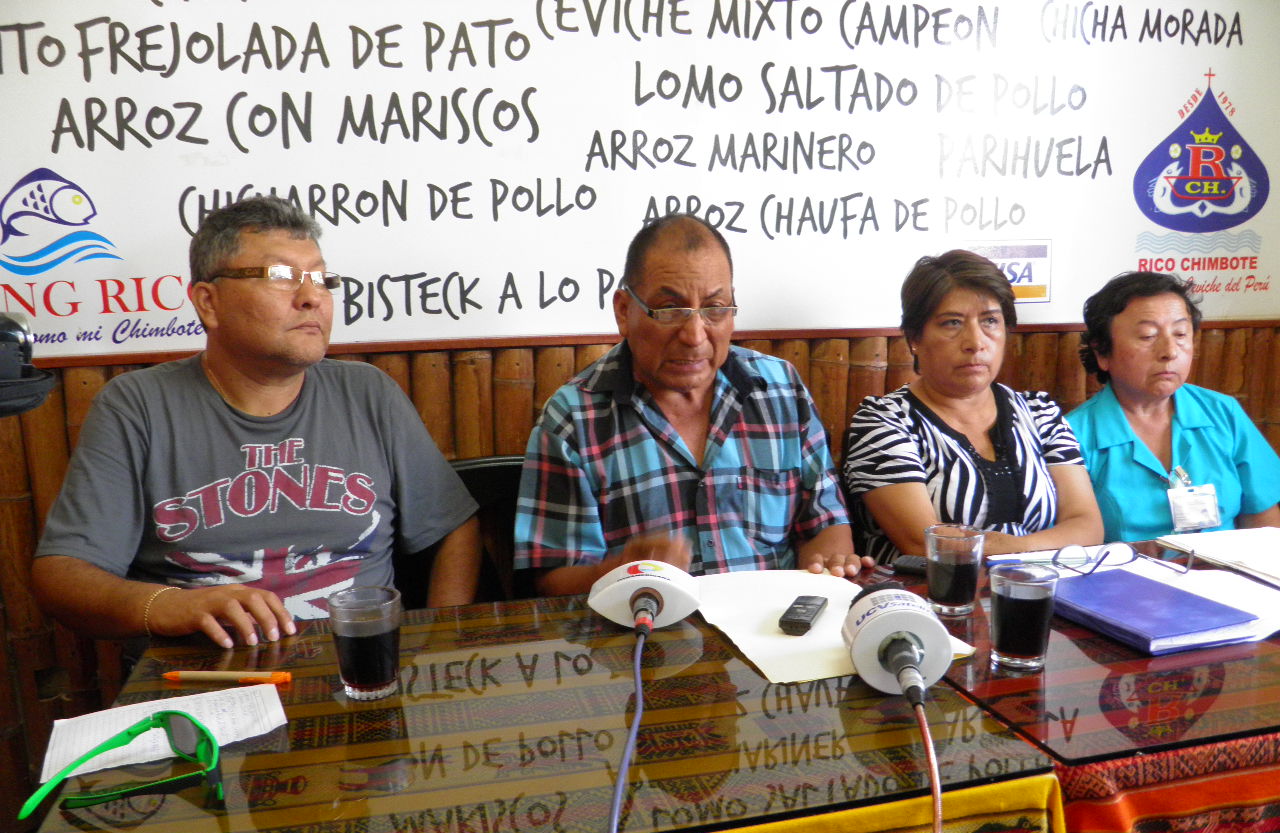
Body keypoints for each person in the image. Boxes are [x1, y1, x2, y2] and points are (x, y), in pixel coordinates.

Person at [33, 195, 480, 649]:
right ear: (208, 302)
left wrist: (437, 643)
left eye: (321, 279)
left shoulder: (369, 393)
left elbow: (452, 528)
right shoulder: (137, 406)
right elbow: (62, 577)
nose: (312, 297)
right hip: (206, 672)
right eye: (281, 277)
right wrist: (168, 605)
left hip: (358, 663)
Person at [514, 213, 865, 596]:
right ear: (624, 311)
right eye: (670, 309)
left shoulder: (780, 389)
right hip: (645, 626)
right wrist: (621, 571)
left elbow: (825, 523)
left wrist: (826, 566)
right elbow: (551, 582)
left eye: (715, 308)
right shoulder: (574, 418)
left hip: (770, 621)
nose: (695, 336)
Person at [841, 249, 1103, 563]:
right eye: (952, 323)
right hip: (929, 590)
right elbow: (924, 542)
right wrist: (1036, 547)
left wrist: (1013, 549)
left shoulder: (1039, 413)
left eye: (990, 321)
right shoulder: (884, 421)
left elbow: (1087, 527)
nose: (975, 342)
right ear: (914, 338)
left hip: (1039, 586)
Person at [1066, 271, 1280, 541]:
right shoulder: (1072, 436)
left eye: (1180, 333)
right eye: (1147, 336)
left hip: (1225, 567)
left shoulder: (1223, 412)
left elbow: (1263, 521)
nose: (1170, 351)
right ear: (1102, 352)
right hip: (1126, 568)